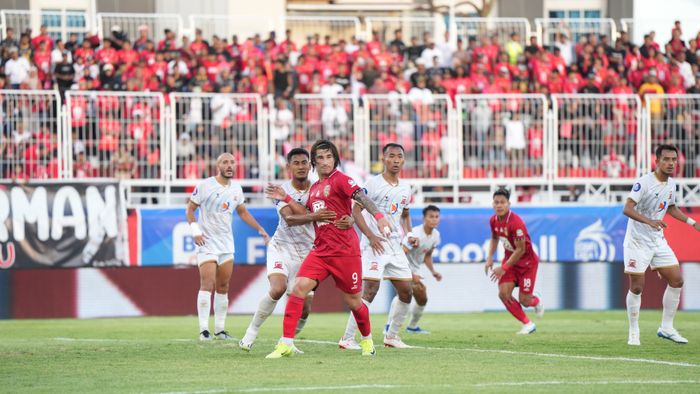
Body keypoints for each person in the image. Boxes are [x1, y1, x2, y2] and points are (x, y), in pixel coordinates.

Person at [264, 139, 392, 358]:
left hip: (345, 252)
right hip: (320, 251)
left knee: (353, 302)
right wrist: (285, 197)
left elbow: (361, 197)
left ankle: (367, 340)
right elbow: (305, 212)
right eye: (320, 158)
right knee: (298, 289)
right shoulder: (314, 189)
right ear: (314, 162)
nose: (325, 162)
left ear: (335, 159)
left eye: (329, 157)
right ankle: (285, 343)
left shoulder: (341, 180)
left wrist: (378, 217)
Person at [239, 148, 355, 351]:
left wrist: (350, 219)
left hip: (310, 251)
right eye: (296, 163)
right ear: (288, 167)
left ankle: (287, 342)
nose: (301, 167)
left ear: (310, 166)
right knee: (278, 288)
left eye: (304, 163)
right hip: (282, 247)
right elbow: (290, 219)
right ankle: (250, 334)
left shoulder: (320, 189)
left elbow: (337, 213)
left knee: (305, 309)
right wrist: (313, 216)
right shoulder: (281, 191)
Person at [338, 143, 416, 350]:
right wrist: (371, 236)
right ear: (383, 159)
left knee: (407, 291)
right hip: (374, 246)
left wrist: (409, 234)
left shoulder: (405, 189)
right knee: (370, 290)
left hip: (394, 247)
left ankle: (392, 336)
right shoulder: (372, 184)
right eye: (392, 156)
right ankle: (347, 338)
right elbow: (356, 211)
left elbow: (405, 214)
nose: (396, 160)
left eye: (400, 156)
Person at [186, 153, 270, 341]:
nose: (230, 165)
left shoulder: (237, 189)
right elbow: (190, 209)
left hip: (226, 244)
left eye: (232, 162)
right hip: (206, 242)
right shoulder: (205, 185)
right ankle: (203, 330)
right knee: (207, 284)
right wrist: (195, 230)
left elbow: (242, 212)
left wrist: (260, 229)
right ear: (218, 166)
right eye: (225, 162)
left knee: (223, 286)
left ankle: (220, 329)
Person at [623, 144, 699, 346]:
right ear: (657, 161)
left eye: (673, 160)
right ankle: (634, 331)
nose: (670, 163)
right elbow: (627, 209)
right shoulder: (644, 183)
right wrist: (650, 221)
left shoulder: (671, 184)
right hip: (637, 241)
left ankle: (666, 327)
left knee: (677, 280)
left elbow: (671, 207)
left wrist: (692, 223)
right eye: (666, 159)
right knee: (637, 287)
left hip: (657, 240)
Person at [485, 188, 544, 334]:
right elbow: (494, 238)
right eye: (496, 202)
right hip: (510, 263)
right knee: (503, 293)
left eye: (502, 202)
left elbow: (520, 250)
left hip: (527, 264)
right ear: (493, 204)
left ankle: (535, 301)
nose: (499, 205)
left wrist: (503, 267)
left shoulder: (516, 223)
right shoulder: (493, 220)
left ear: (509, 204)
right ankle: (528, 324)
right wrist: (489, 257)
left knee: (524, 301)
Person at [388, 205, 442, 334]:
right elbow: (401, 254)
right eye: (431, 217)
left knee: (422, 298)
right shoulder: (416, 234)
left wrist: (433, 271)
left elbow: (427, 255)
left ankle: (412, 327)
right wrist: (411, 274)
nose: (434, 219)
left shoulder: (436, 235)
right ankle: (388, 326)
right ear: (424, 218)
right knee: (403, 294)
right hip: (402, 267)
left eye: (436, 217)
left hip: (415, 270)